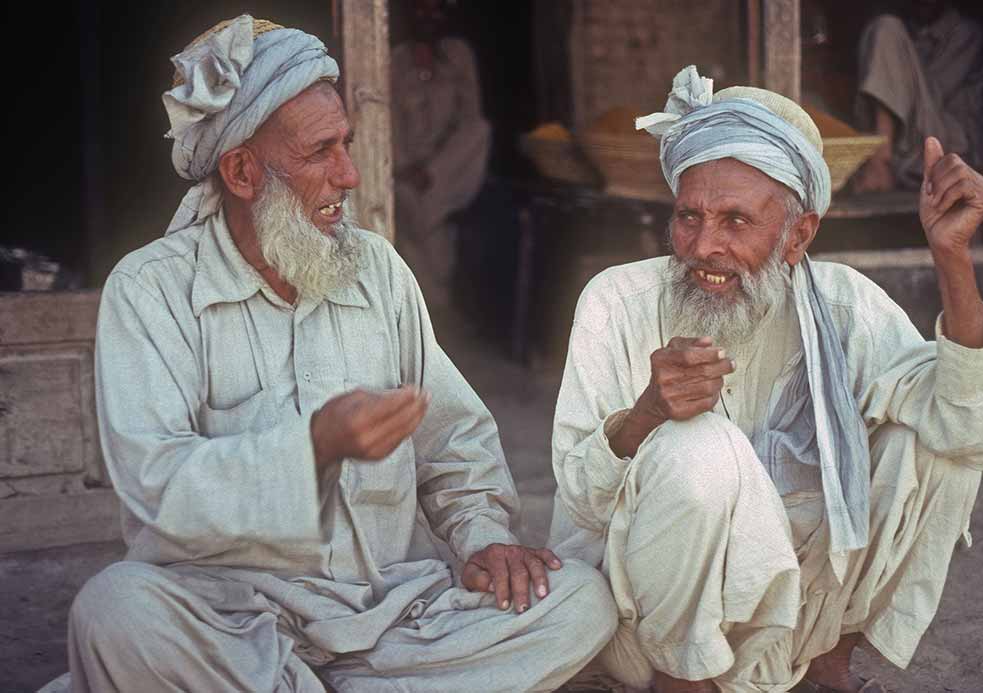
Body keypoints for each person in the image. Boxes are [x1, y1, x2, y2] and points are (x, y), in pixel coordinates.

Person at [58, 15, 615, 692]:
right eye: (321, 151)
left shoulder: (376, 269)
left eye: (346, 144)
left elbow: (452, 440)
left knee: (581, 599)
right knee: (114, 611)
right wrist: (311, 447)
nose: (349, 174)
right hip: (226, 618)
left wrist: (481, 538)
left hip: (387, 614)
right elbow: (160, 486)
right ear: (241, 170)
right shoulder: (150, 292)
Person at [548, 66, 983, 693]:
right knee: (700, 448)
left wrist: (952, 257)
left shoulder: (844, 307)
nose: (704, 246)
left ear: (798, 236)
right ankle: (684, 680)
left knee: (939, 443)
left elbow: (980, 428)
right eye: (688, 217)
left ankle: (828, 662)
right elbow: (580, 503)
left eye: (737, 222)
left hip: (800, 621)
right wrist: (644, 418)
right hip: (641, 628)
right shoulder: (616, 301)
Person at [391, 0, 490, 306]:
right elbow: (388, 122)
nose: (429, 19)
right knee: (424, 217)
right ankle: (435, 308)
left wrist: (433, 169)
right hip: (406, 171)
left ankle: (428, 207)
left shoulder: (459, 56)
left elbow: (471, 116)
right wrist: (405, 167)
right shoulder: (394, 61)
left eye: (435, 11)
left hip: (448, 168)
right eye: (421, 11)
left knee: (480, 130)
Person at [852, 0, 983, 193]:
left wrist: (895, 55)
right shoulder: (907, 29)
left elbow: (926, 97)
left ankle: (881, 159)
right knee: (882, 29)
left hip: (944, 145)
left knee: (886, 28)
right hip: (909, 141)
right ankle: (879, 158)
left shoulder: (967, 33)